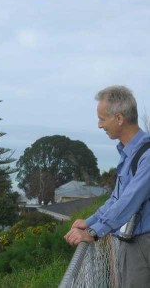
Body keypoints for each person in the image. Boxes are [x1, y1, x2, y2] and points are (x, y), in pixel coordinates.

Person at [64, 85, 150, 287]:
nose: (99, 125)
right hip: (134, 244)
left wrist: (94, 233)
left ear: (119, 118)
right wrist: (90, 221)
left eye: (102, 119)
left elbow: (129, 202)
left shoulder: (146, 156)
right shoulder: (129, 154)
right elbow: (116, 198)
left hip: (144, 245)